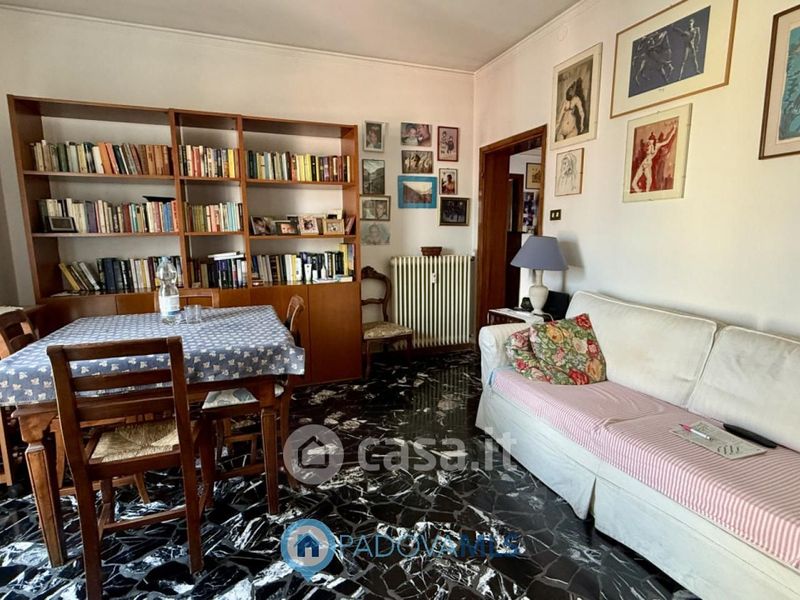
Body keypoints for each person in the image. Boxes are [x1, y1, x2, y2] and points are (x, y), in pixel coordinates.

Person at [631, 126, 676, 192]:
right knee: (639, 181)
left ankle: (644, 193)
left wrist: (673, 131)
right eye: (649, 142)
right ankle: (641, 192)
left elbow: (666, 141)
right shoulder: (648, 146)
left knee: (649, 180)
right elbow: (645, 152)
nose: (650, 144)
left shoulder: (657, 145)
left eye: (651, 142)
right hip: (645, 162)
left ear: (654, 141)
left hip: (648, 163)